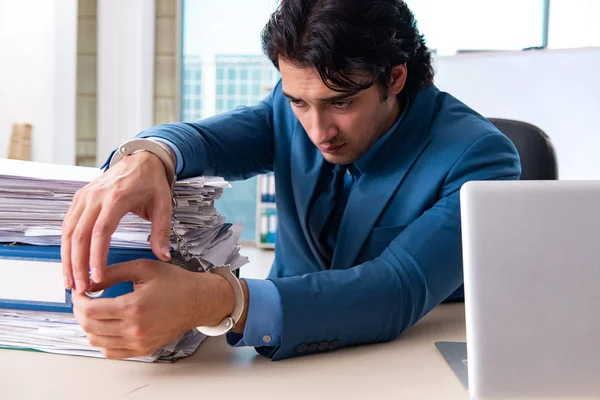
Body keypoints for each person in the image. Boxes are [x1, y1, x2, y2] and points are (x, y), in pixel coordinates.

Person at [61, 0, 521, 361]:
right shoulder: (289, 106)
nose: (317, 130)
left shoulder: (482, 158)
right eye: (300, 101)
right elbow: (205, 140)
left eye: (340, 103)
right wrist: (147, 156)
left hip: (399, 363)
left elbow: (395, 289)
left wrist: (220, 301)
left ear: (396, 77)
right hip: (269, 362)